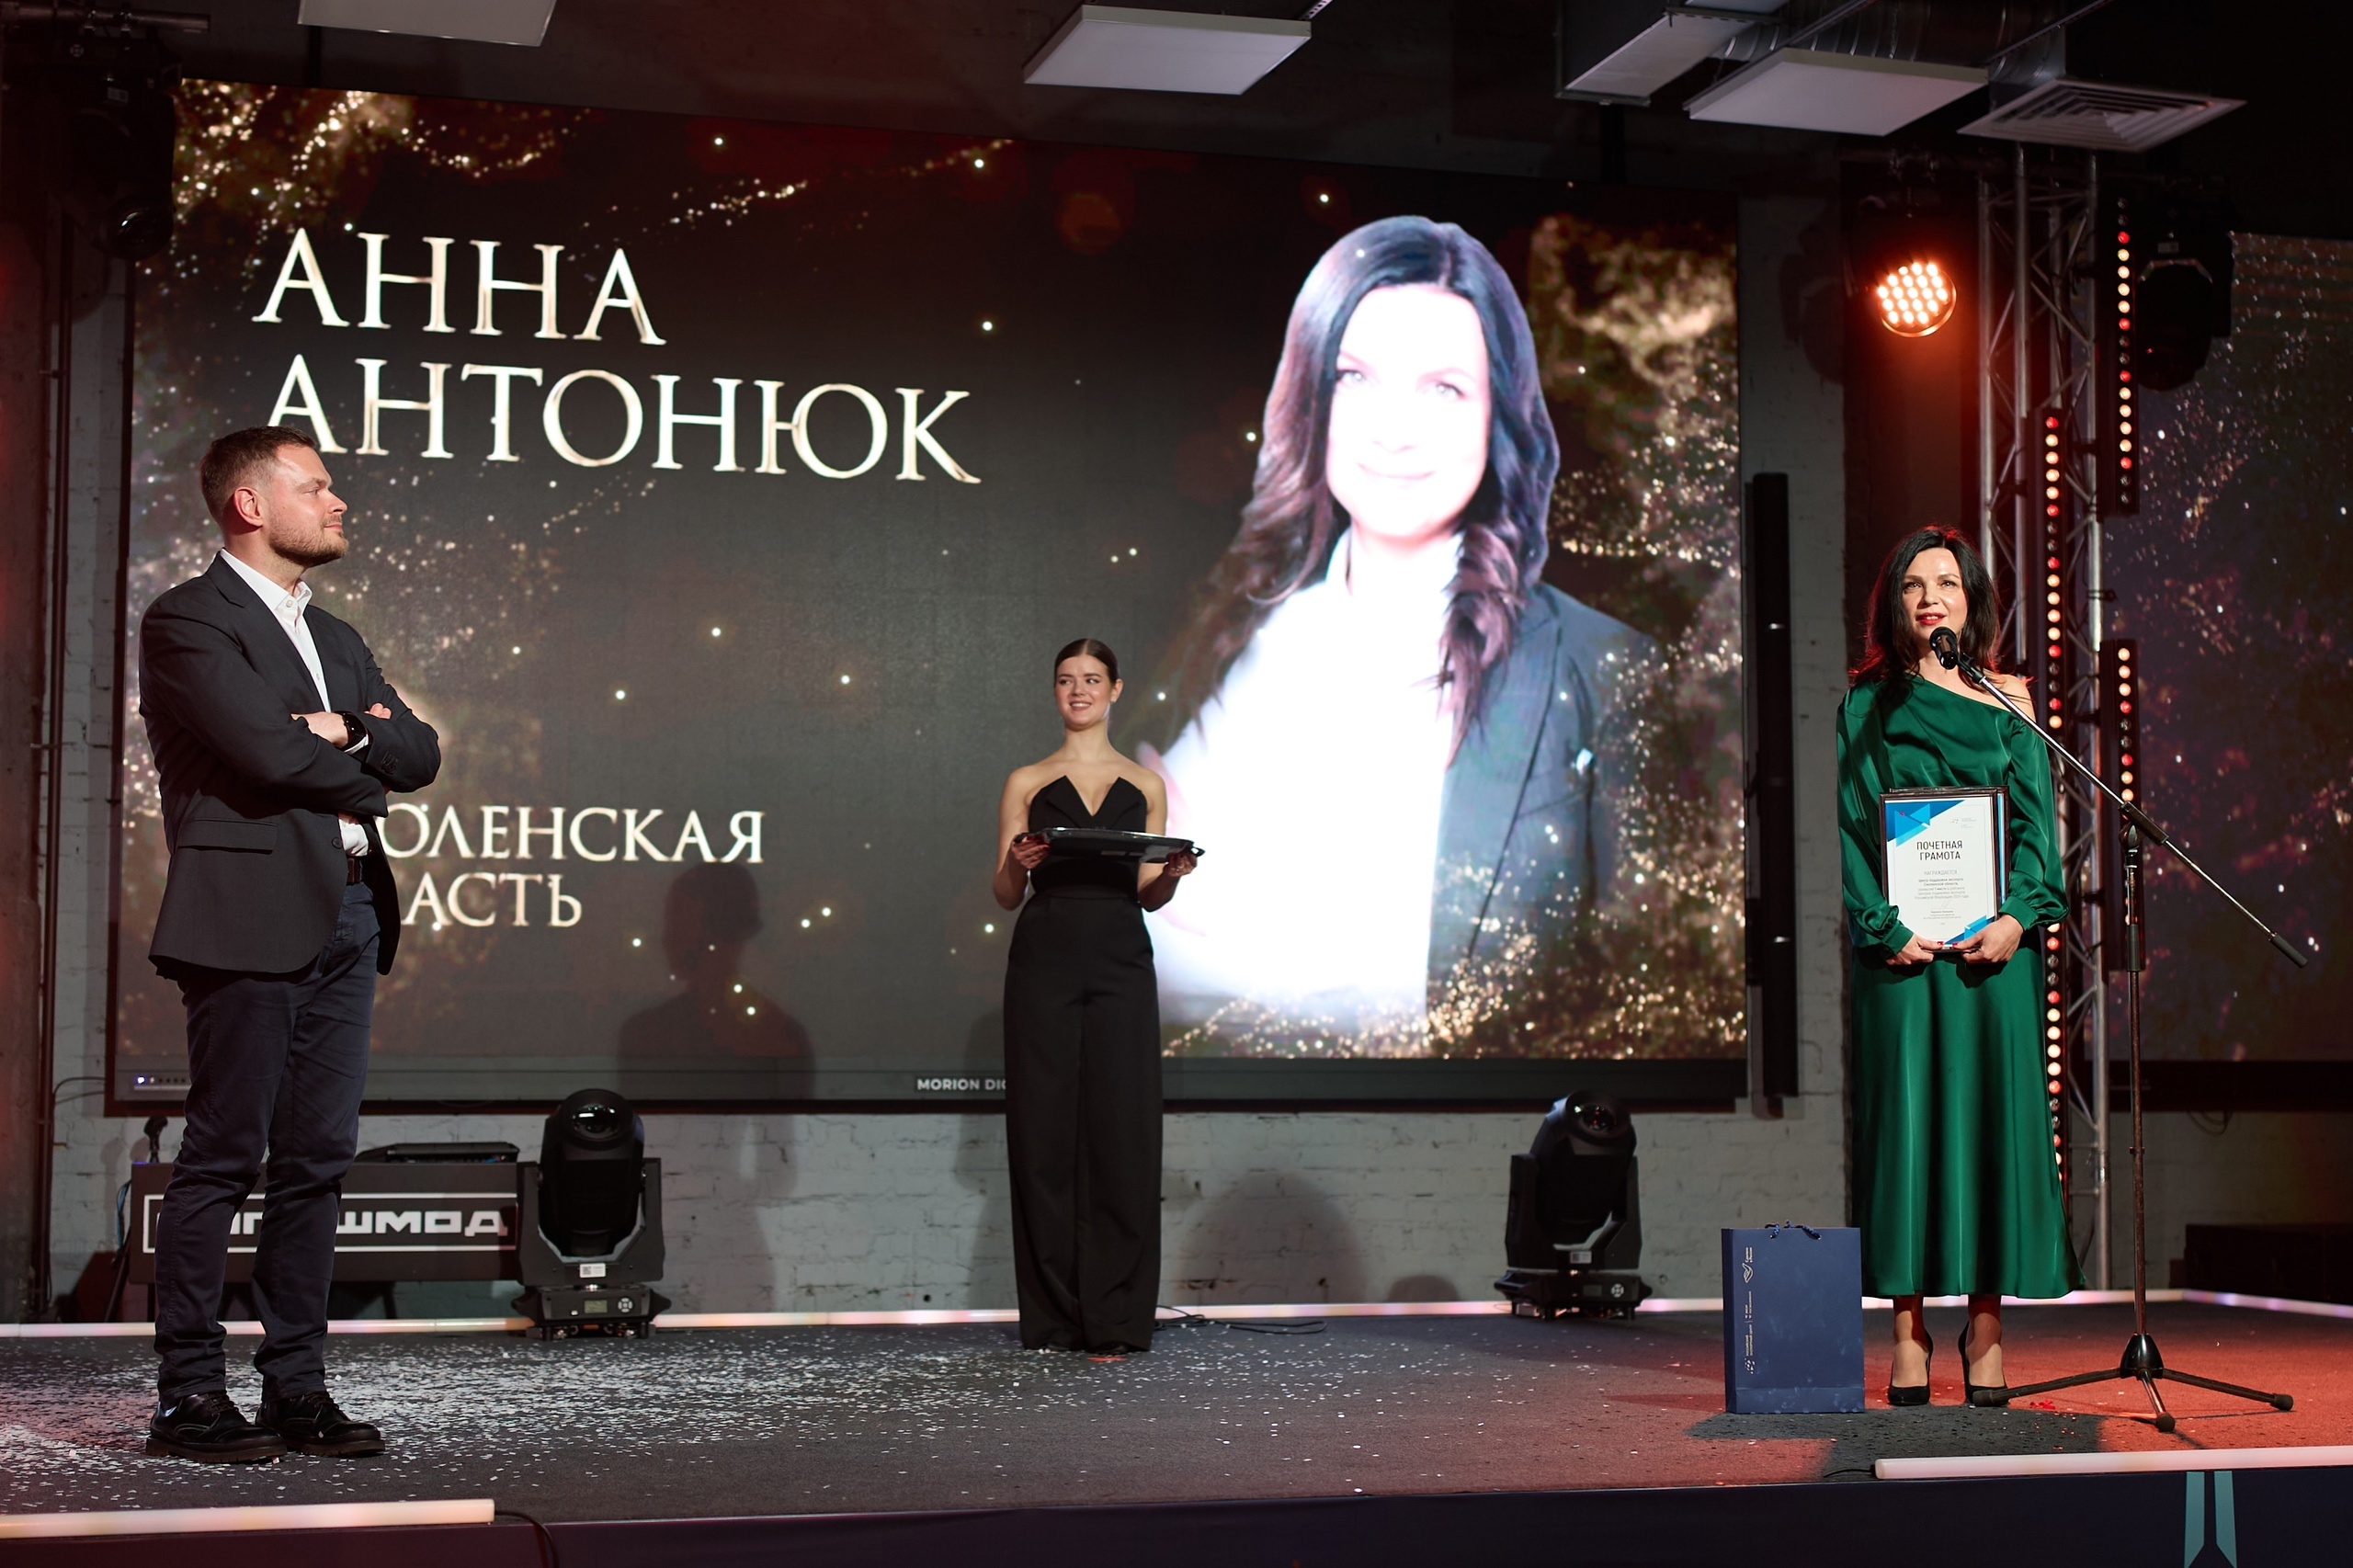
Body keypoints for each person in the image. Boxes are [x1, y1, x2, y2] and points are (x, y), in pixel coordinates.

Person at [1144, 214, 1654, 1049]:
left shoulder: (1604, 670)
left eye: (1443, 388)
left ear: (1498, 416)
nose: (1393, 428)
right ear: (1313, 397)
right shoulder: (1228, 646)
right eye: (1355, 377)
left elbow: (1642, 997)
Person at [138, 426, 441, 1460]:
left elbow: (421, 751)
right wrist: (363, 762)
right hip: (247, 914)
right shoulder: (189, 619)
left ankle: (295, 1389)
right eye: (316, 485)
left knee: (315, 1162)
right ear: (250, 505)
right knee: (224, 1155)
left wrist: (349, 729)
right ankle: (189, 1394)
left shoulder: (339, 636)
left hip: (351, 912)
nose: (337, 500)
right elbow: (265, 751)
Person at [1837, 526, 2080, 1406]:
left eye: (1946, 582)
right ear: (1895, 604)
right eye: (1913, 585)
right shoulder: (1866, 707)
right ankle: (1907, 1331)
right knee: (1905, 1131)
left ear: (1971, 601)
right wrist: (1883, 925)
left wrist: (2019, 917)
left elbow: (2037, 828)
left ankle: (1985, 1327)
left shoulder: (2009, 701)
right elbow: (1852, 829)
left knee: (1990, 1128)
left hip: (1995, 957)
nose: (1930, 597)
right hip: (1901, 956)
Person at [994, 639, 1196, 1351]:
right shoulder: (1026, 780)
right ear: (1055, 692)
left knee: (1123, 1132)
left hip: (1119, 959)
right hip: (1044, 956)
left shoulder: (1144, 784)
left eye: (1090, 679)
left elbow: (1148, 895)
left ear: (1115, 690)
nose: (1077, 690)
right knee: (1043, 1135)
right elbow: (1005, 893)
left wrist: (1173, 874)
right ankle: (1054, 1316)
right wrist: (1018, 862)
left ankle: (1115, 1317)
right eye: (1065, 680)